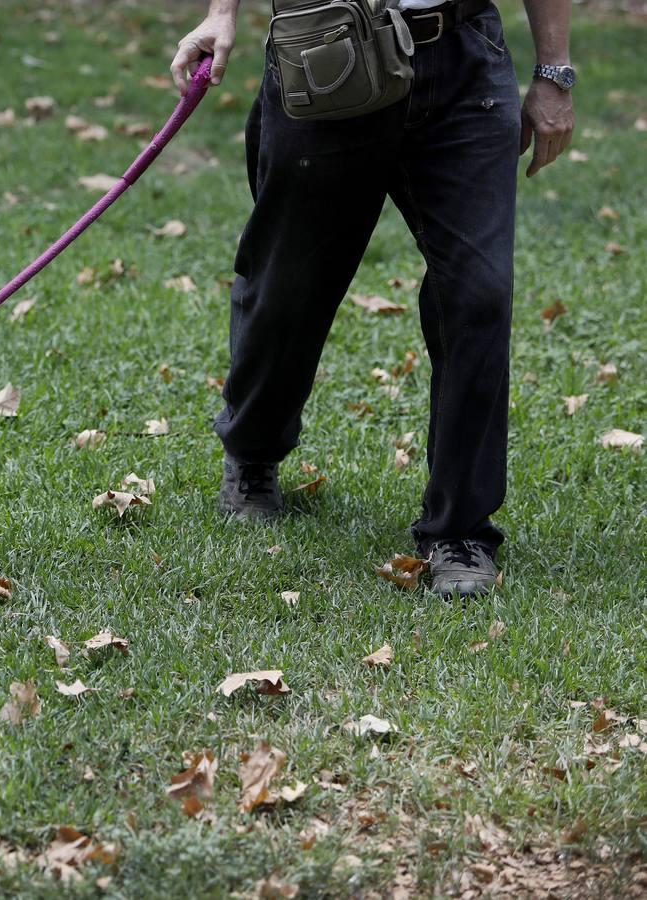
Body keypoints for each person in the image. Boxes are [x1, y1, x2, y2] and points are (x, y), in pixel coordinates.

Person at [170, 0, 574, 596]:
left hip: (463, 54)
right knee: (289, 282)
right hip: (328, 50)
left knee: (479, 296)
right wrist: (221, 14)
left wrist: (554, 70)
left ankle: (460, 529)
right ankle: (253, 451)